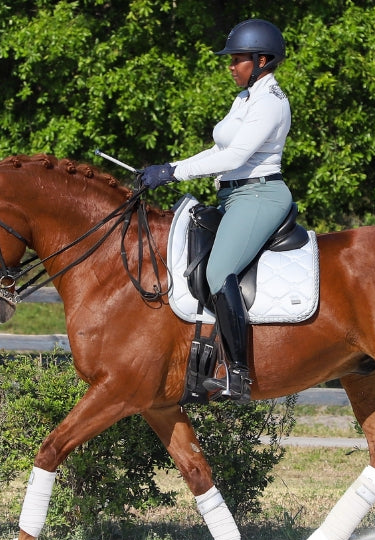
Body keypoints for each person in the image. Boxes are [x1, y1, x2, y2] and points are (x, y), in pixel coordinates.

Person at [141, 18, 294, 404]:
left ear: (261, 60)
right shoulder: (244, 98)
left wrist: (174, 172)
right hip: (233, 197)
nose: (230, 66)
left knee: (216, 271)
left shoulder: (270, 102)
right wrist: (170, 167)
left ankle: (238, 376)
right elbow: (218, 153)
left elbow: (238, 156)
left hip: (259, 197)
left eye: (237, 59)